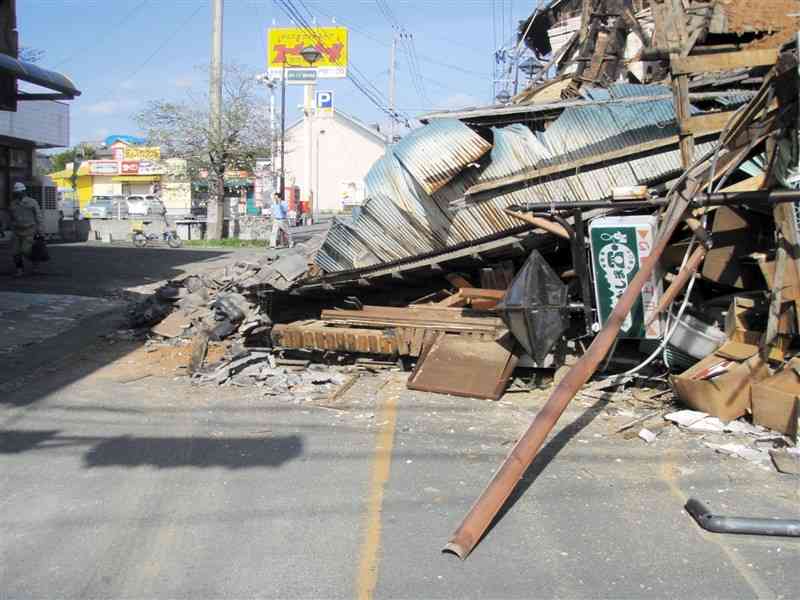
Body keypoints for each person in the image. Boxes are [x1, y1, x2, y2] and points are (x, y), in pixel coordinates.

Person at [8, 182, 44, 277]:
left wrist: (40, 231)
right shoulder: (13, 204)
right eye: (16, 192)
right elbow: (11, 217)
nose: (18, 194)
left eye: (19, 192)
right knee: (15, 252)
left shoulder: (32, 202)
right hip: (16, 231)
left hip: (30, 230)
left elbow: (38, 217)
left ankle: (35, 261)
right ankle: (19, 270)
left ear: (24, 192)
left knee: (25, 250)